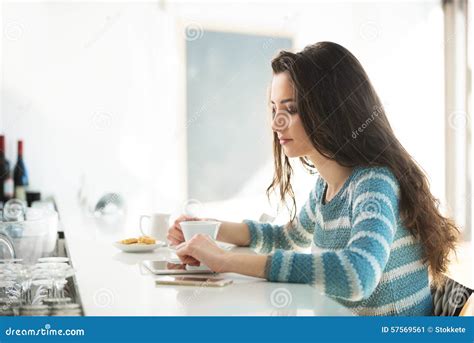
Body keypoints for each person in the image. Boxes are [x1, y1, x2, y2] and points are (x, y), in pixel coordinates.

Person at [167, 41, 459, 316]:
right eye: (274, 108)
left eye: (291, 109)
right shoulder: (327, 186)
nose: (275, 123)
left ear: (332, 110)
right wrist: (205, 229)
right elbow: (285, 237)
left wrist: (226, 261)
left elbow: (358, 274)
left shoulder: (373, 184)